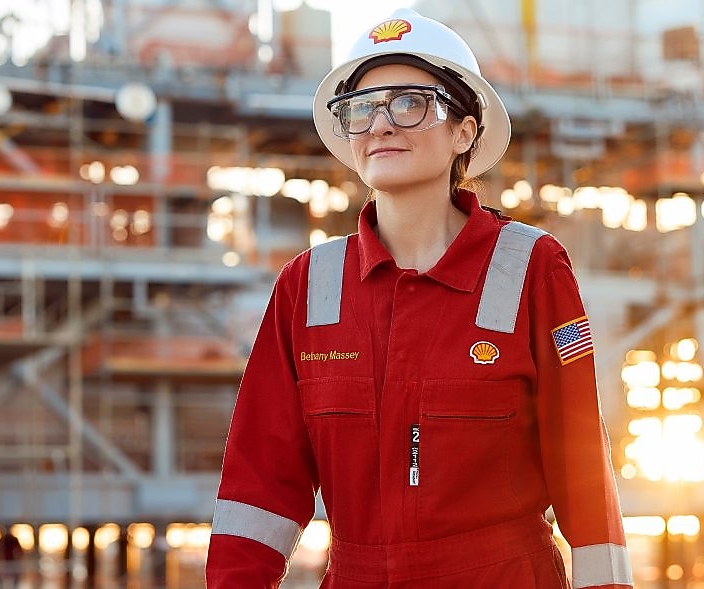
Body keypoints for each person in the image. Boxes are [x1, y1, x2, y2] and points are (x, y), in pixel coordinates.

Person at [207, 8, 631, 588]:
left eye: (409, 102)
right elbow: (258, 485)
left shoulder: (531, 267)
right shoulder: (307, 287)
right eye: (362, 108)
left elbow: (581, 466)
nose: (381, 124)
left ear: (465, 131)